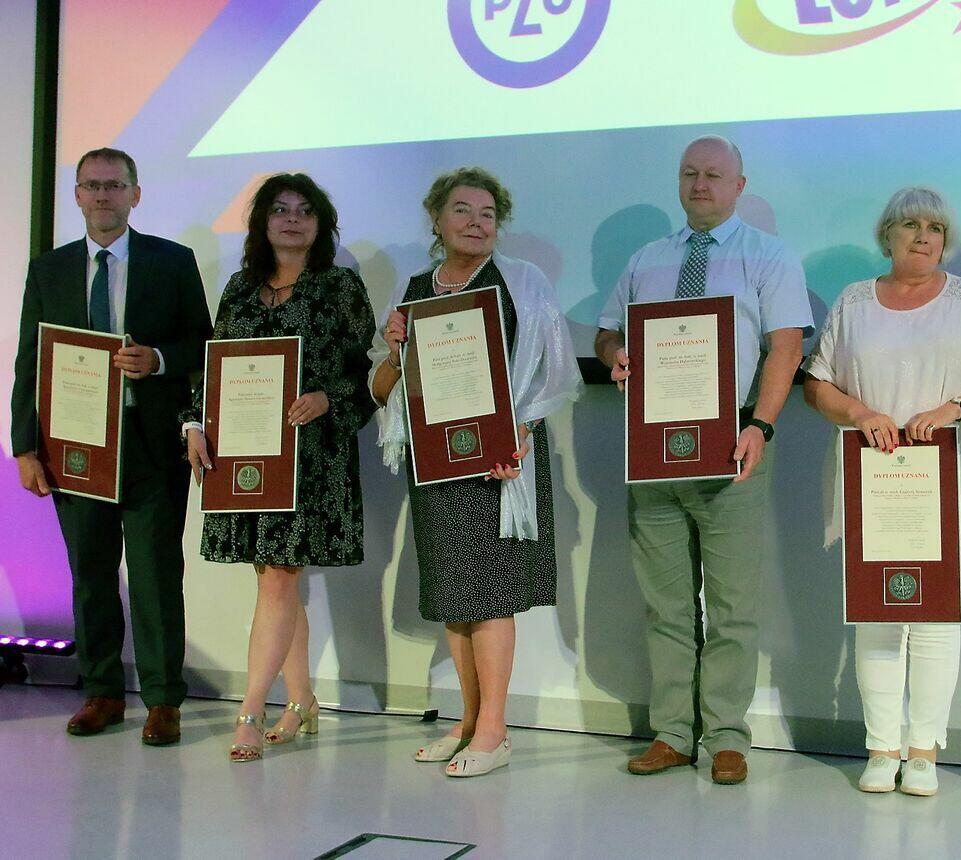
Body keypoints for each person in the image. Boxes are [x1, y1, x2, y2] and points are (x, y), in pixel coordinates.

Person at [594, 136, 812, 785]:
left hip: (732, 446)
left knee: (732, 606)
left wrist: (761, 426)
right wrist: (613, 356)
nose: (700, 184)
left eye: (714, 174)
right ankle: (672, 733)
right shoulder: (648, 259)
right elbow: (608, 331)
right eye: (690, 173)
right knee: (665, 607)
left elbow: (786, 346)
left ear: (739, 185)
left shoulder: (768, 256)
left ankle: (725, 736)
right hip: (654, 452)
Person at [803, 187, 961, 796]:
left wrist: (956, 408)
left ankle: (922, 752)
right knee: (875, 614)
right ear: (887, 235)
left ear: (946, 241)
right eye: (911, 225)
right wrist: (859, 412)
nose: (924, 236)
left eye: (935, 228)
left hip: (947, 479)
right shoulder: (853, 302)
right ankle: (881, 748)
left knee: (936, 618)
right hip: (872, 480)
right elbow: (816, 383)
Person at [371, 167, 581, 778]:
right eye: (462, 210)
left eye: (488, 214)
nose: (476, 222)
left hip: (500, 461)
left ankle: (495, 730)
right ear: (437, 220)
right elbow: (382, 390)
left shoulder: (522, 281)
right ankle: (468, 722)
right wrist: (395, 350)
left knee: (490, 595)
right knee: (454, 597)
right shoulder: (414, 291)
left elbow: (556, 373)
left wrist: (522, 427)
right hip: (436, 462)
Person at [11, 148, 211, 745]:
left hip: (150, 448)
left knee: (155, 578)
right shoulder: (49, 270)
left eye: (114, 185)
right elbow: (29, 363)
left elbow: (204, 344)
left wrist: (159, 359)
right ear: (76, 195)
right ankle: (100, 692)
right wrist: (25, 447)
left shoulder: (172, 261)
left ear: (135, 194)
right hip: (74, 452)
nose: (103, 195)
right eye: (92, 185)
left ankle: (163, 700)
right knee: (91, 576)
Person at [183, 173, 377, 762]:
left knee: (278, 578)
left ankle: (250, 712)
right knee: (274, 579)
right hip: (246, 458)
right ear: (262, 222)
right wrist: (193, 424)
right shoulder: (240, 287)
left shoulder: (340, 286)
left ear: (321, 224)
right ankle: (301, 700)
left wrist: (327, 397)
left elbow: (366, 376)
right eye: (280, 209)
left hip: (311, 457)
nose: (292, 219)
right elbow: (214, 367)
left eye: (304, 210)